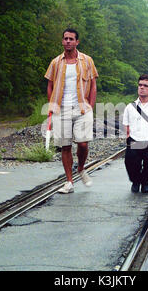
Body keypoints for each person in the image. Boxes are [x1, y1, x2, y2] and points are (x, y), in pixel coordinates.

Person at [45, 28, 98, 194]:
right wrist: (52, 105)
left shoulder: (87, 61)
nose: (68, 41)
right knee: (65, 146)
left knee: (83, 143)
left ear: (77, 42)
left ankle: (81, 167)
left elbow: (93, 85)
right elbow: (50, 85)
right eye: (65, 39)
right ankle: (69, 182)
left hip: (82, 108)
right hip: (61, 109)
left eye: (71, 39)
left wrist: (91, 105)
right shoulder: (55, 62)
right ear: (62, 41)